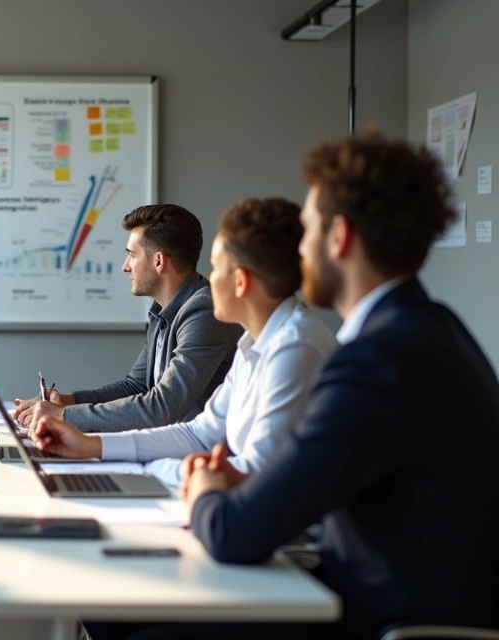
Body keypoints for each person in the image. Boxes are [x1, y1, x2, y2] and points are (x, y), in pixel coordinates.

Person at [177, 131, 499, 638]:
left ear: (339, 237)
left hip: (376, 618)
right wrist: (247, 488)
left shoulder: (373, 361)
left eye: (307, 230)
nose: (299, 250)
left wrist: (205, 492)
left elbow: (232, 534)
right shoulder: (436, 328)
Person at [30, 198, 336, 486]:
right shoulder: (254, 344)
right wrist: (90, 445)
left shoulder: (293, 347)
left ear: (240, 282)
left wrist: (162, 467)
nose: (208, 280)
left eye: (217, 269)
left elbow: (257, 474)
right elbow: (202, 433)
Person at [14, 204, 241, 433]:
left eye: (131, 255)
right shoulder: (163, 311)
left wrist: (63, 416)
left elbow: (163, 407)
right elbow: (136, 385)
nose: (125, 267)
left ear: (159, 261)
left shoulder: (204, 312)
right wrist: (67, 401)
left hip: (199, 453)